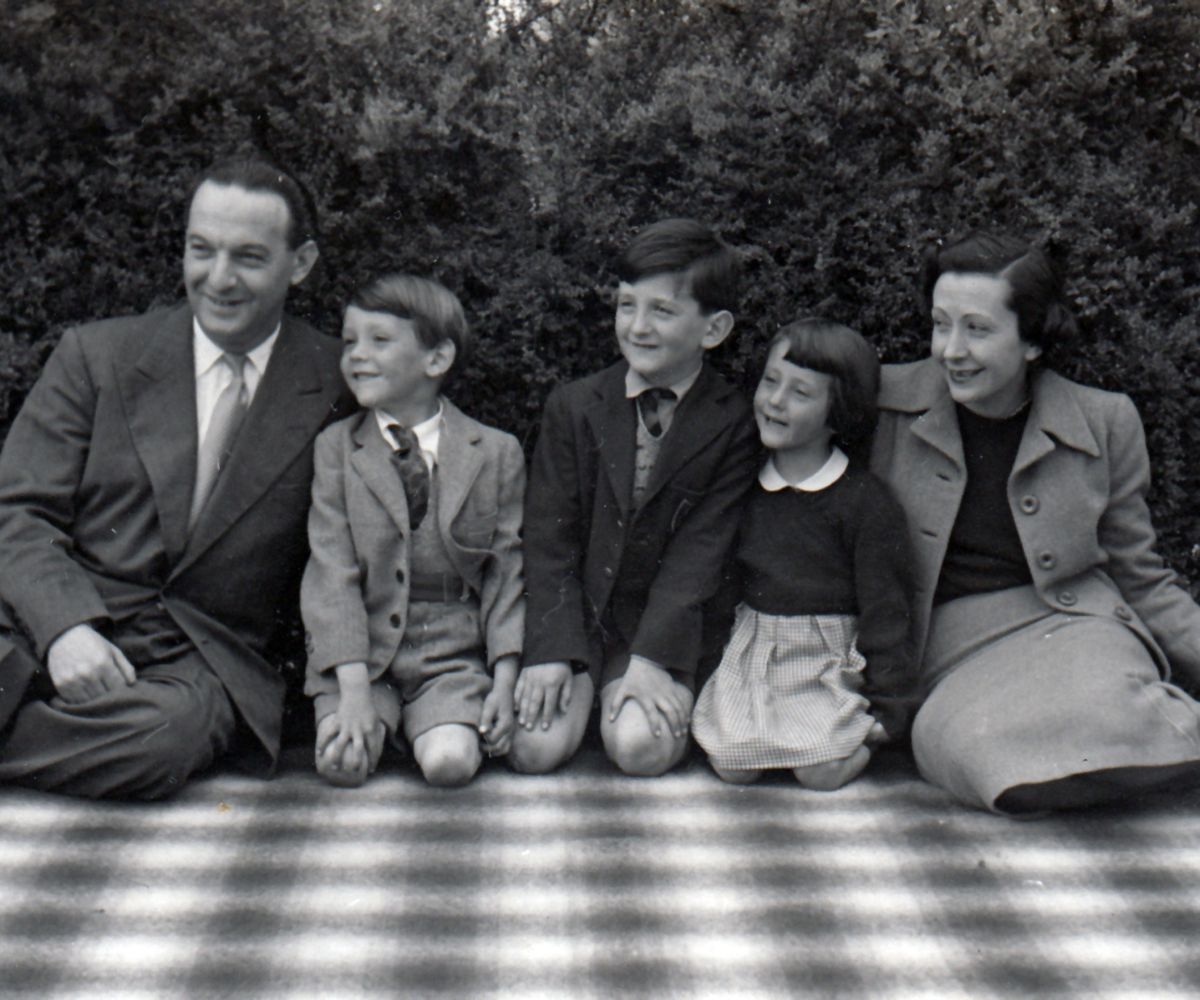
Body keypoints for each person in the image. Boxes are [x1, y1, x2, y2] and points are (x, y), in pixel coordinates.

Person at [0, 157, 353, 799]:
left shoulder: (339, 383)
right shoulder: (97, 355)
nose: (218, 279)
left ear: (299, 263)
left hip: (196, 660)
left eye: (248, 257)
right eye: (201, 250)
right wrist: (63, 629)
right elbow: (16, 511)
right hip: (51, 618)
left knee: (166, 739)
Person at [871, 231, 1200, 813]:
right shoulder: (883, 404)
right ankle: (1124, 764)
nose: (950, 349)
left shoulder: (1104, 421)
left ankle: (1115, 754)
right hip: (948, 651)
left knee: (1114, 705)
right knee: (962, 749)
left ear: (1031, 341)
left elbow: (1142, 576)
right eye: (941, 324)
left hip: (1074, 626)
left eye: (976, 329)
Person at [511, 218, 759, 776]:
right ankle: (586, 685)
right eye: (627, 306)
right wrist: (551, 649)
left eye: (663, 312)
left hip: (661, 629)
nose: (638, 327)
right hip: (578, 621)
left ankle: (628, 687)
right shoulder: (575, 406)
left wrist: (651, 659)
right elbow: (549, 540)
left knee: (638, 750)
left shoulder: (734, 421)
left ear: (714, 329)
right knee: (534, 749)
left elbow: (702, 554)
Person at [301, 274, 524, 788]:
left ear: (437, 359)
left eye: (379, 341)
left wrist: (504, 681)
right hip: (362, 660)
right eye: (350, 340)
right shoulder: (336, 447)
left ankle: (429, 726)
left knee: (451, 764)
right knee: (342, 765)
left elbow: (507, 574)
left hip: (451, 656)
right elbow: (330, 571)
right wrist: (353, 691)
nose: (357, 355)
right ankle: (378, 722)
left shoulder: (494, 452)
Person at [691, 319, 915, 788]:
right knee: (732, 765)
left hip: (824, 662)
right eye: (771, 381)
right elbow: (721, 589)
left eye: (800, 393)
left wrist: (891, 708)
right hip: (755, 654)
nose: (775, 400)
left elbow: (886, 609)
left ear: (838, 413)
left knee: (821, 772)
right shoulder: (743, 486)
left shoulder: (865, 502)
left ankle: (841, 747)